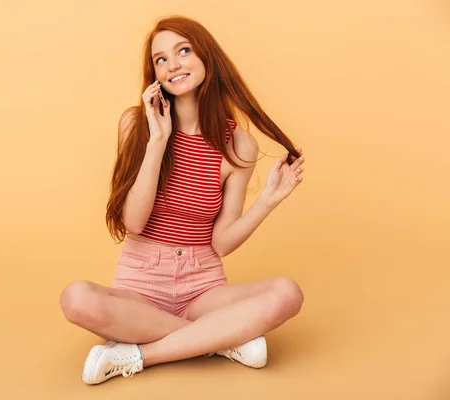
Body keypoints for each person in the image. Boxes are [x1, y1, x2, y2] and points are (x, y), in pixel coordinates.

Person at [60, 15, 306, 385]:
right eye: (161, 59)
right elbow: (134, 223)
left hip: (202, 285)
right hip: (140, 283)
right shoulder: (137, 126)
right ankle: (220, 338)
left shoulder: (238, 143)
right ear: (155, 74)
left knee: (288, 293)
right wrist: (158, 141)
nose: (173, 64)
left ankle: (142, 354)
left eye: (184, 50)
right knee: (76, 298)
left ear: (206, 57)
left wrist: (268, 200)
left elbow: (221, 242)